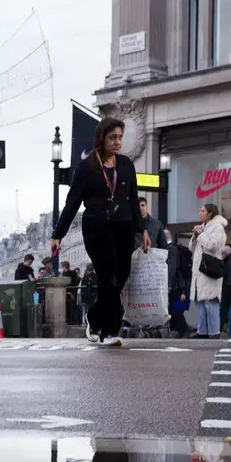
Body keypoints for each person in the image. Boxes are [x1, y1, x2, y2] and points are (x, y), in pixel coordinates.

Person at [49, 117, 149, 346]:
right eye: (113, 137)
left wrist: (141, 229)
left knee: (121, 274)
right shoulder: (86, 168)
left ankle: (94, 318)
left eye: (120, 138)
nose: (117, 142)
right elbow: (72, 203)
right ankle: (109, 332)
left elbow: (133, 199)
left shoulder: (126, 165)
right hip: (97, 227)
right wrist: (58, 234)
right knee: (109, 275)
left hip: (123, 226)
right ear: (101, 138)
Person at [190, 203, 230, 339]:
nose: (200, 213)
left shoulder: (218, 227)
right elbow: (192, 248)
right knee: (200, 301)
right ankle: (202, 331)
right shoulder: (204, 227)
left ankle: (214, 332)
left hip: (210, 268)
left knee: (211, 301)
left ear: (210, 213)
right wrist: (195, 236)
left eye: (203, 211)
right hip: (200, 269)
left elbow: (213, 245)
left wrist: (201, 235)